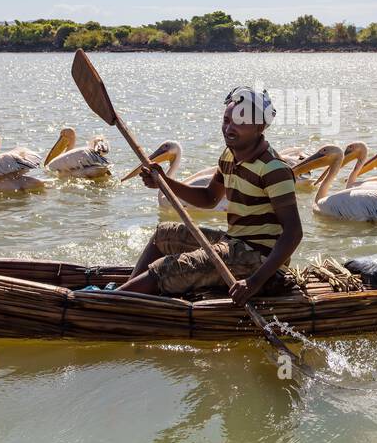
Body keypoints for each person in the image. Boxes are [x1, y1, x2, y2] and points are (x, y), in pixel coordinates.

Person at [117, 87, 303, 304]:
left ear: (259, 127)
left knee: (166, 268)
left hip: (258, 259)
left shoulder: (273, 170)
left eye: (240, 123)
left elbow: (293, 233)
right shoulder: (229, 156)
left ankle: (109, 302)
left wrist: (254, 282)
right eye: (226, 120)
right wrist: (164, 182)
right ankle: (126, 296)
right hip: (234, 242)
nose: (229, 128)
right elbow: (208, 198)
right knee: (163, 234)